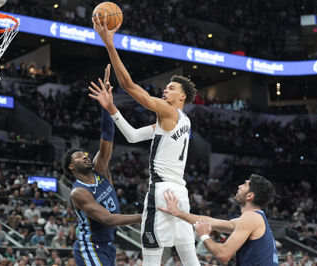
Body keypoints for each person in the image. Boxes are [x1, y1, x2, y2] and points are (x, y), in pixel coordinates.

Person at [91, 16, 199, 264]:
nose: (165, 91)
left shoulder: (169, 111)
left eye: (171, 88)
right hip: (180, 193)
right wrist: (111, 109)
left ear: (182, 97)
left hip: (161, 192)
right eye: (166, 88)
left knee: (150, 258)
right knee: (189, 257)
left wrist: (109, 44)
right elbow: (132, 136)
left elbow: (128, 85)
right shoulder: (181, 120)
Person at [62, 66, 142, 266]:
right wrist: (144, 216)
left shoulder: (100, 169)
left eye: (85, 154)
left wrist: (107, 107)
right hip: (90, 245)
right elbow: (107, 219)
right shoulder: (78, 192)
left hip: (107, 246)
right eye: (79, 157)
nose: (86, 156)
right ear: (71, 167)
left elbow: (107, 136)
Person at [159, 174, 278, 265]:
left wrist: (204, 236)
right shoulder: (254, 218)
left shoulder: (251, 217)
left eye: (245, 185)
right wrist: (177, 213)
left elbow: (223, 255)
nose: (239, 186)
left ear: (250, 196)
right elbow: (210, 221)